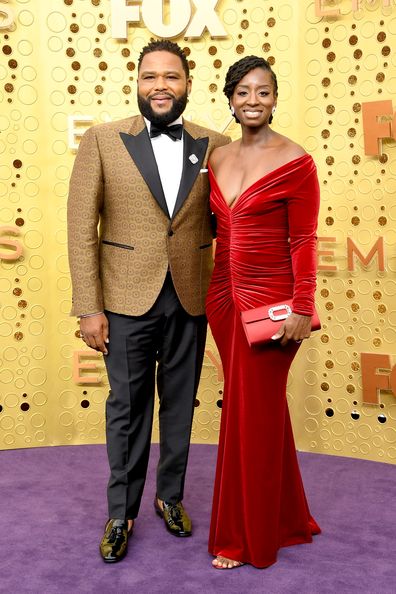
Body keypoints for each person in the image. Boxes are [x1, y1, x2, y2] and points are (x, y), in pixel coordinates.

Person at [67, 39, 230, 563]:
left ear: (188, 82)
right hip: (122, 298)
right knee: (127, 410)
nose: (161, 85)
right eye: (150, 77)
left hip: (190, 295)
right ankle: (121, 511)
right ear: (137, 83)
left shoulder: (216, 143)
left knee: (180, 406)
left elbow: (227, 222)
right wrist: (89, 306)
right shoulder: (102, 139)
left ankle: (171, 496)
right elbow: (80, 229)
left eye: (171, 77)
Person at [206, 55, 321, 570]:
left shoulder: (295, 159)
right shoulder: (218, 157)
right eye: (244, 92)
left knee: (251, 417)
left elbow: (303, 239)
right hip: (224, 301)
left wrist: (302, 307)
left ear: (276, 98)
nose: (253, 100)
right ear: (230, 98)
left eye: (264, 92)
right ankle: (288, 519)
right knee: (258, 412)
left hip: (274, 307)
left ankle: (244, 538)